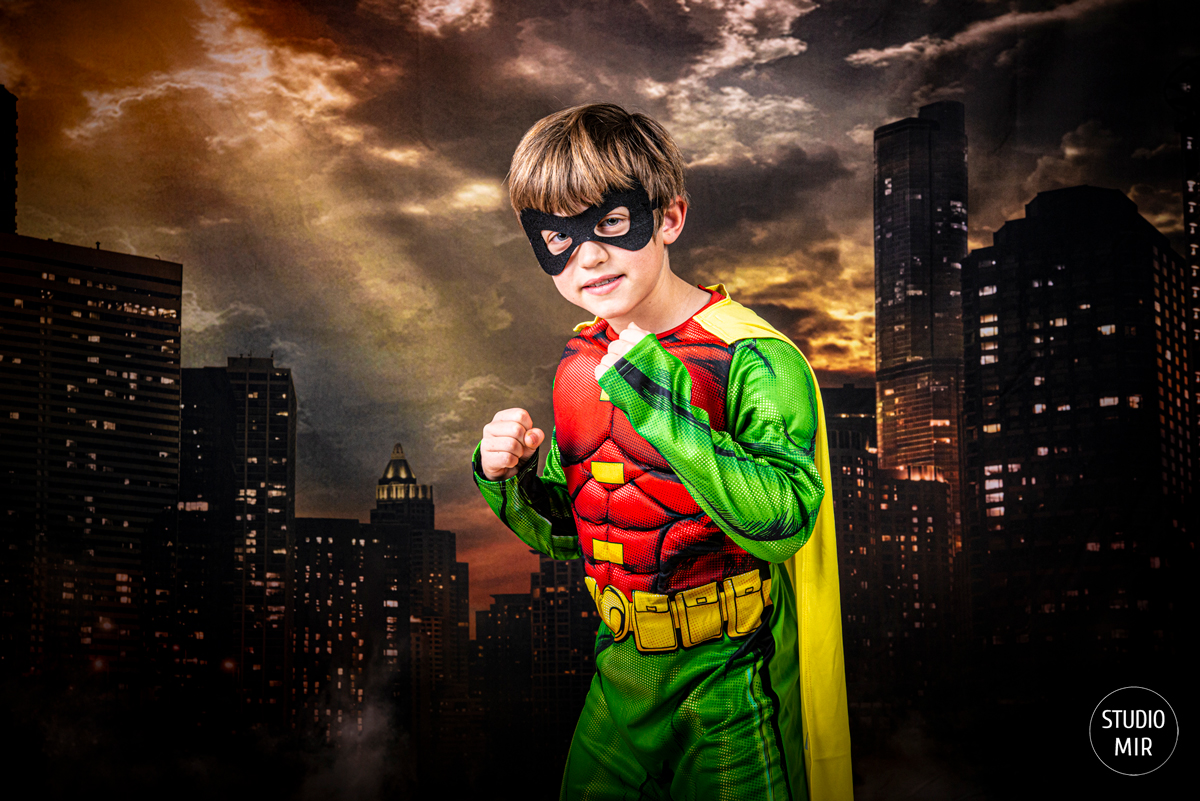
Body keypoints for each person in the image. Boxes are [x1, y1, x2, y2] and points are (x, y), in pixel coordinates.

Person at [473, 103, 852, 801]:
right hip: (619, 677)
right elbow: (583, 530)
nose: (587, 255)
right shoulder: (583, 360)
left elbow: (786, 519)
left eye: (611, 223)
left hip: (728, 681)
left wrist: (659, 401)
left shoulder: (754, 357)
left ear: (669, 217)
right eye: (558, 234)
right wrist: (511, 476)